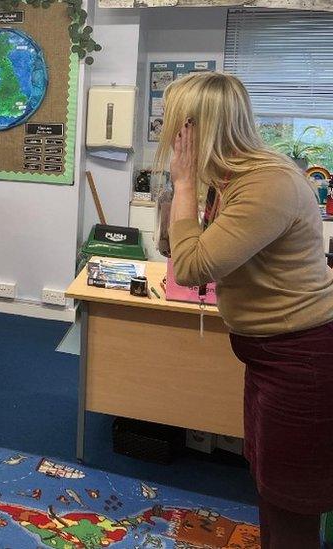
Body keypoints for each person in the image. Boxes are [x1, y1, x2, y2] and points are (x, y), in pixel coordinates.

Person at [159, 71, 333, 548]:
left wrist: (184, 181)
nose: (167, 134)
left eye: (174, 124)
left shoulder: (267, 183)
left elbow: (192, 266)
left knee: (292, 502)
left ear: (195, 127)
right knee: (268, 484)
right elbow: (173, 247)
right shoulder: (230, 178)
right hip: (268, 357)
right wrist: (183, 189)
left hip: (304, 359)